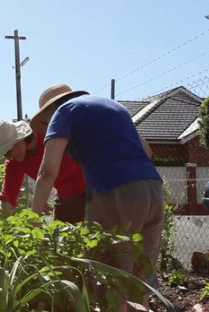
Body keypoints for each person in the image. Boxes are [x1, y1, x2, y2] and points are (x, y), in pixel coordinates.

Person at [29, 83, 163, 311]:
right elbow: (148, 152)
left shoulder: (63, 112)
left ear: (50, 110)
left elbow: (48, 171)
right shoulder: (114, 107)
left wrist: (33, 216)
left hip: (114, 191)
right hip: (153, 188)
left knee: (110, 277)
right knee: (140, 276)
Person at [0, 120, 86, 223]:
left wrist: (35, 215)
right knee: (61, 236)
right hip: (66, 197)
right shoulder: (15, 161)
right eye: (5, 155)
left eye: (8, 151)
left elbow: (47, 174)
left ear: (18, 139)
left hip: (95, 190)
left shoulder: (48, 134)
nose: (9, 157)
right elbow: (6, 198)